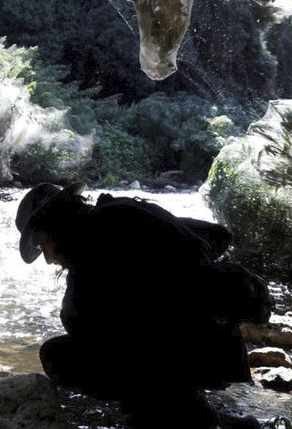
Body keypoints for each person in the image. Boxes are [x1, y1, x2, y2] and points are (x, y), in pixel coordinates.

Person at [16, 183, 270, 428]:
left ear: (57, 226)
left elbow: (79, 324)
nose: (48, 260)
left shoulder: (93, 244)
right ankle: (183, 404)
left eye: (44, 245)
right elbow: (220, 235)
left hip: (191, 351)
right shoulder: (124, 210)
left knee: (57, 355)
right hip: (221, 347)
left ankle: (171, 408)